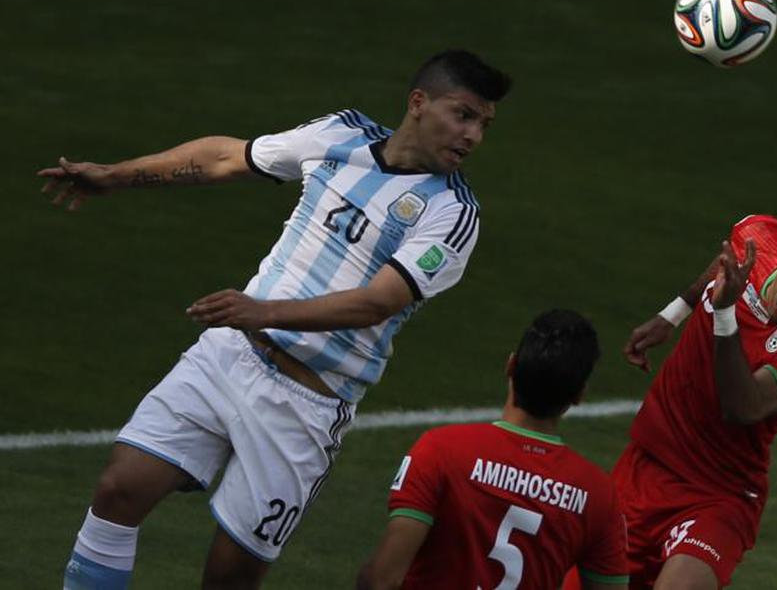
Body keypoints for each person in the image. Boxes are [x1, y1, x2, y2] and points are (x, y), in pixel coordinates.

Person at [41, 49, 512, 590]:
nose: (473, 135)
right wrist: (117, 177)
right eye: (463, 114)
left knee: (230, 576)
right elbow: (226, 157)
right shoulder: (340, 135)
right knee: (118, 490)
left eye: (483, 124)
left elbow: (377, 302)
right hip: (229, 355)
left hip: (306, 404)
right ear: (418, 103)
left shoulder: (451, 214)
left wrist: (260, 311)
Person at [602, 215, 777, 589]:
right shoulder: (758, 237)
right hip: (645, 465)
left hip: (718, 496)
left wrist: (725, 313)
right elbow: (725, 264)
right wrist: (674, 313)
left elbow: (742, 407)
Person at [357, 309, 629, 590]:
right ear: (579, 395)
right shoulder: (599, 495)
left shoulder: (441, 450)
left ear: (510, 365)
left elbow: (381, 580)